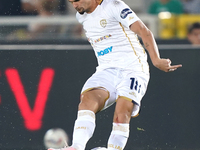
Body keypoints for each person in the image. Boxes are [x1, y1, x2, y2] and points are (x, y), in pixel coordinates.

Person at [48, 0, 182, 150]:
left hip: (133, 69)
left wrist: (156, 60)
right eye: (71, 2)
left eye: (77, 0)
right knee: (87, 101)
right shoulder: (81, 16)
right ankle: (76, 147)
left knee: (122, 111)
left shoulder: (114, 5)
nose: (74, 5)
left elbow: (144, 31)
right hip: (107, 70)